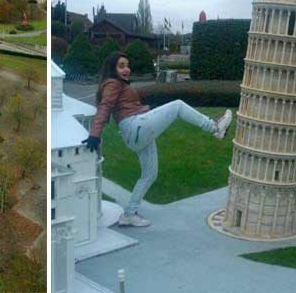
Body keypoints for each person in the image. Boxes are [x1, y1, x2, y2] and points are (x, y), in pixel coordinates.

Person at [83, 51, 232, 227]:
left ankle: (129, 214)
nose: (126, 69)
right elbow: (105, 107)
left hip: (136, 133)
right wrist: (94, 134)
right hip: (135, 127)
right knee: (178, 106)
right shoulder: (112, 83)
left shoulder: (119, 84)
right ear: (112, 68)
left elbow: (120, 106)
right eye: (121, 66)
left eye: (127, 65)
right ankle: (215, 128)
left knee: (149, 175)